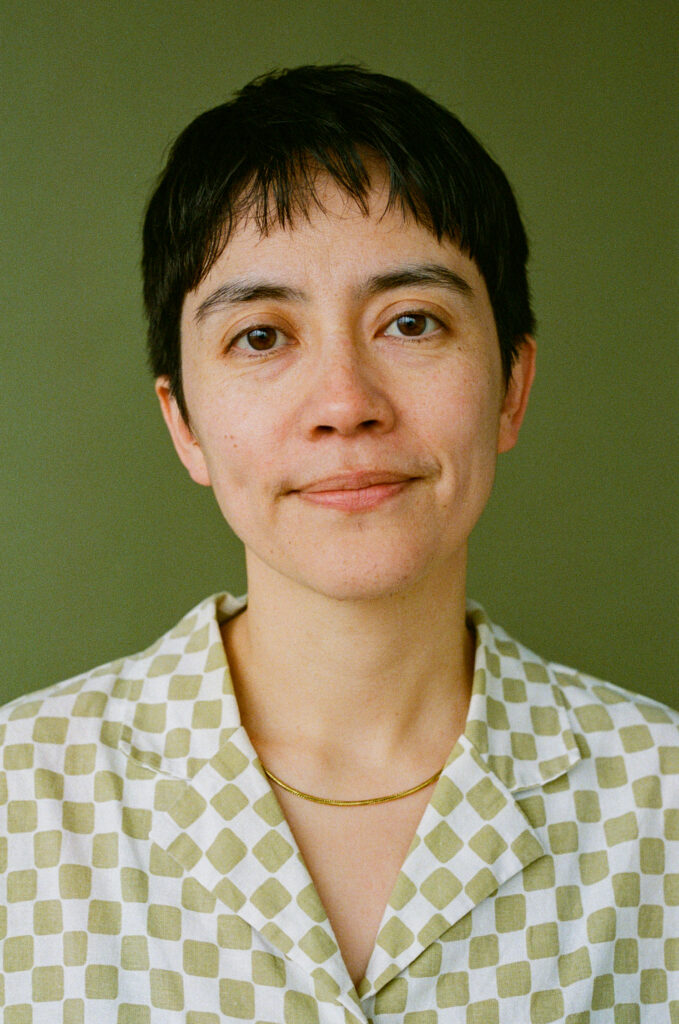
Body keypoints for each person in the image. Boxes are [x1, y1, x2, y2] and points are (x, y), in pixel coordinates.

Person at [1, 65, 677, 1023]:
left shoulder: (661, 803)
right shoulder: (19, 798)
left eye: (411, 321)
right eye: (262, 337)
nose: (346, 404)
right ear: (183, 422)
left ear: (511, 389)